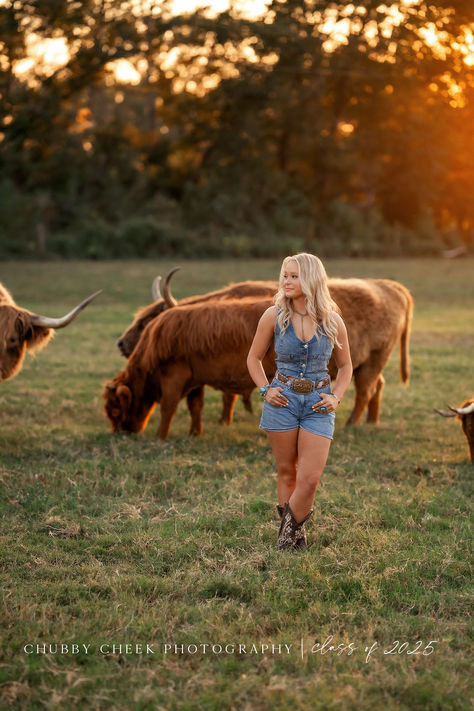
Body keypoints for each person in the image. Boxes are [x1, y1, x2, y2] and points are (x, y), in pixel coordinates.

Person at [247, 253, 352, 552]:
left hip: (318, 404)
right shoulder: (273, 316)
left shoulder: (332, 320)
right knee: (287, 472)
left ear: (311, 279)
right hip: (282, 400)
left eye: (294, 276)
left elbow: (345, 367)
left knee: (310, 478)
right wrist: (265, 390)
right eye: (285, 275)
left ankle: (286, 534)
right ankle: (294, 539)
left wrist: (337, 396)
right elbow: (253, 358)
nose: (287, 281)